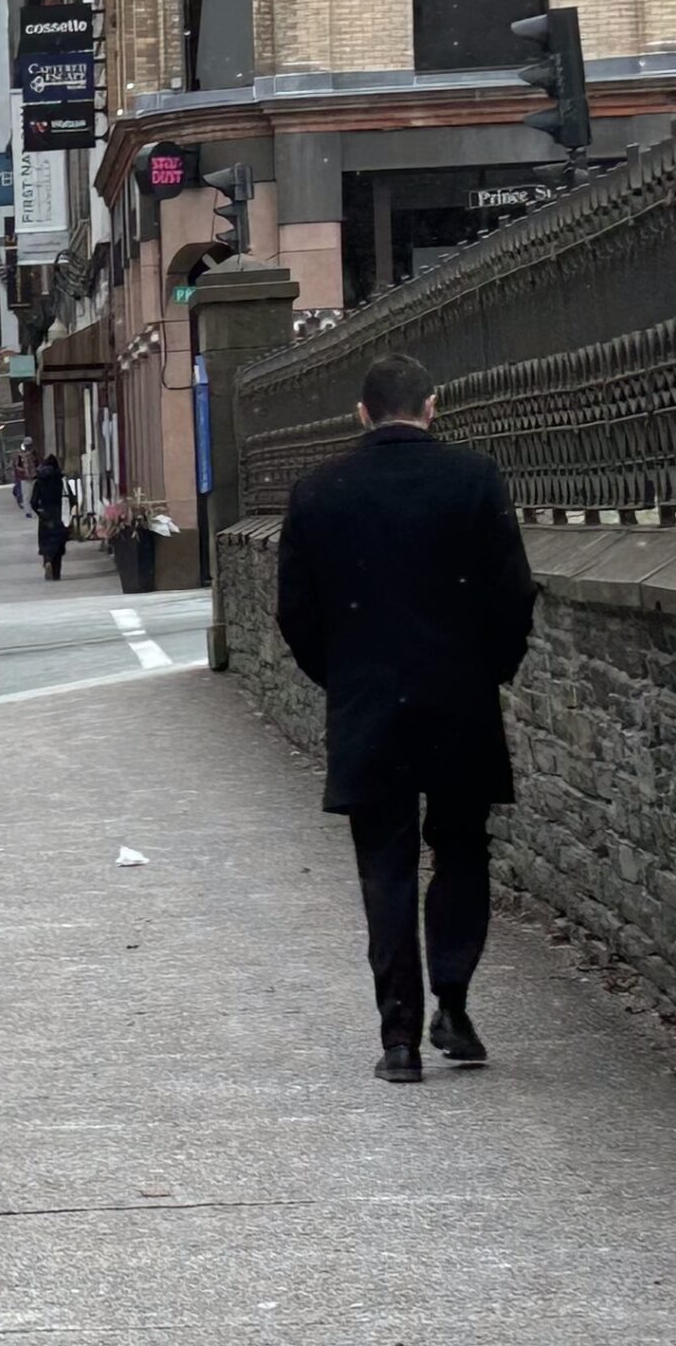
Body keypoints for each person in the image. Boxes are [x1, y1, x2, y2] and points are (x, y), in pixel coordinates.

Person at [275, 353, 536, 1085]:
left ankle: (399, 1039)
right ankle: (452, 1000)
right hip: (458, 697)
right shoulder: (475, 480)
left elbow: (296, 612)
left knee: (383, 865)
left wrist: (345, 676)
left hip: (368, 704)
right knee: (460, 849)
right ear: (433, 406)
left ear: (362, 414)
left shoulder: (319, 492)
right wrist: (490, 668)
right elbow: (514, 594)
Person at [29, 454, 70, 580]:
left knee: (46, 542)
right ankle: (56, 572)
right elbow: (71, 498)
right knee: (58, 544)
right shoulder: (60, 480)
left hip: (45, 515)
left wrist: (39, 512)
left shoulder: (39, 481)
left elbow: (33, 501)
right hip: (59, 514)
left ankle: (47, 561)